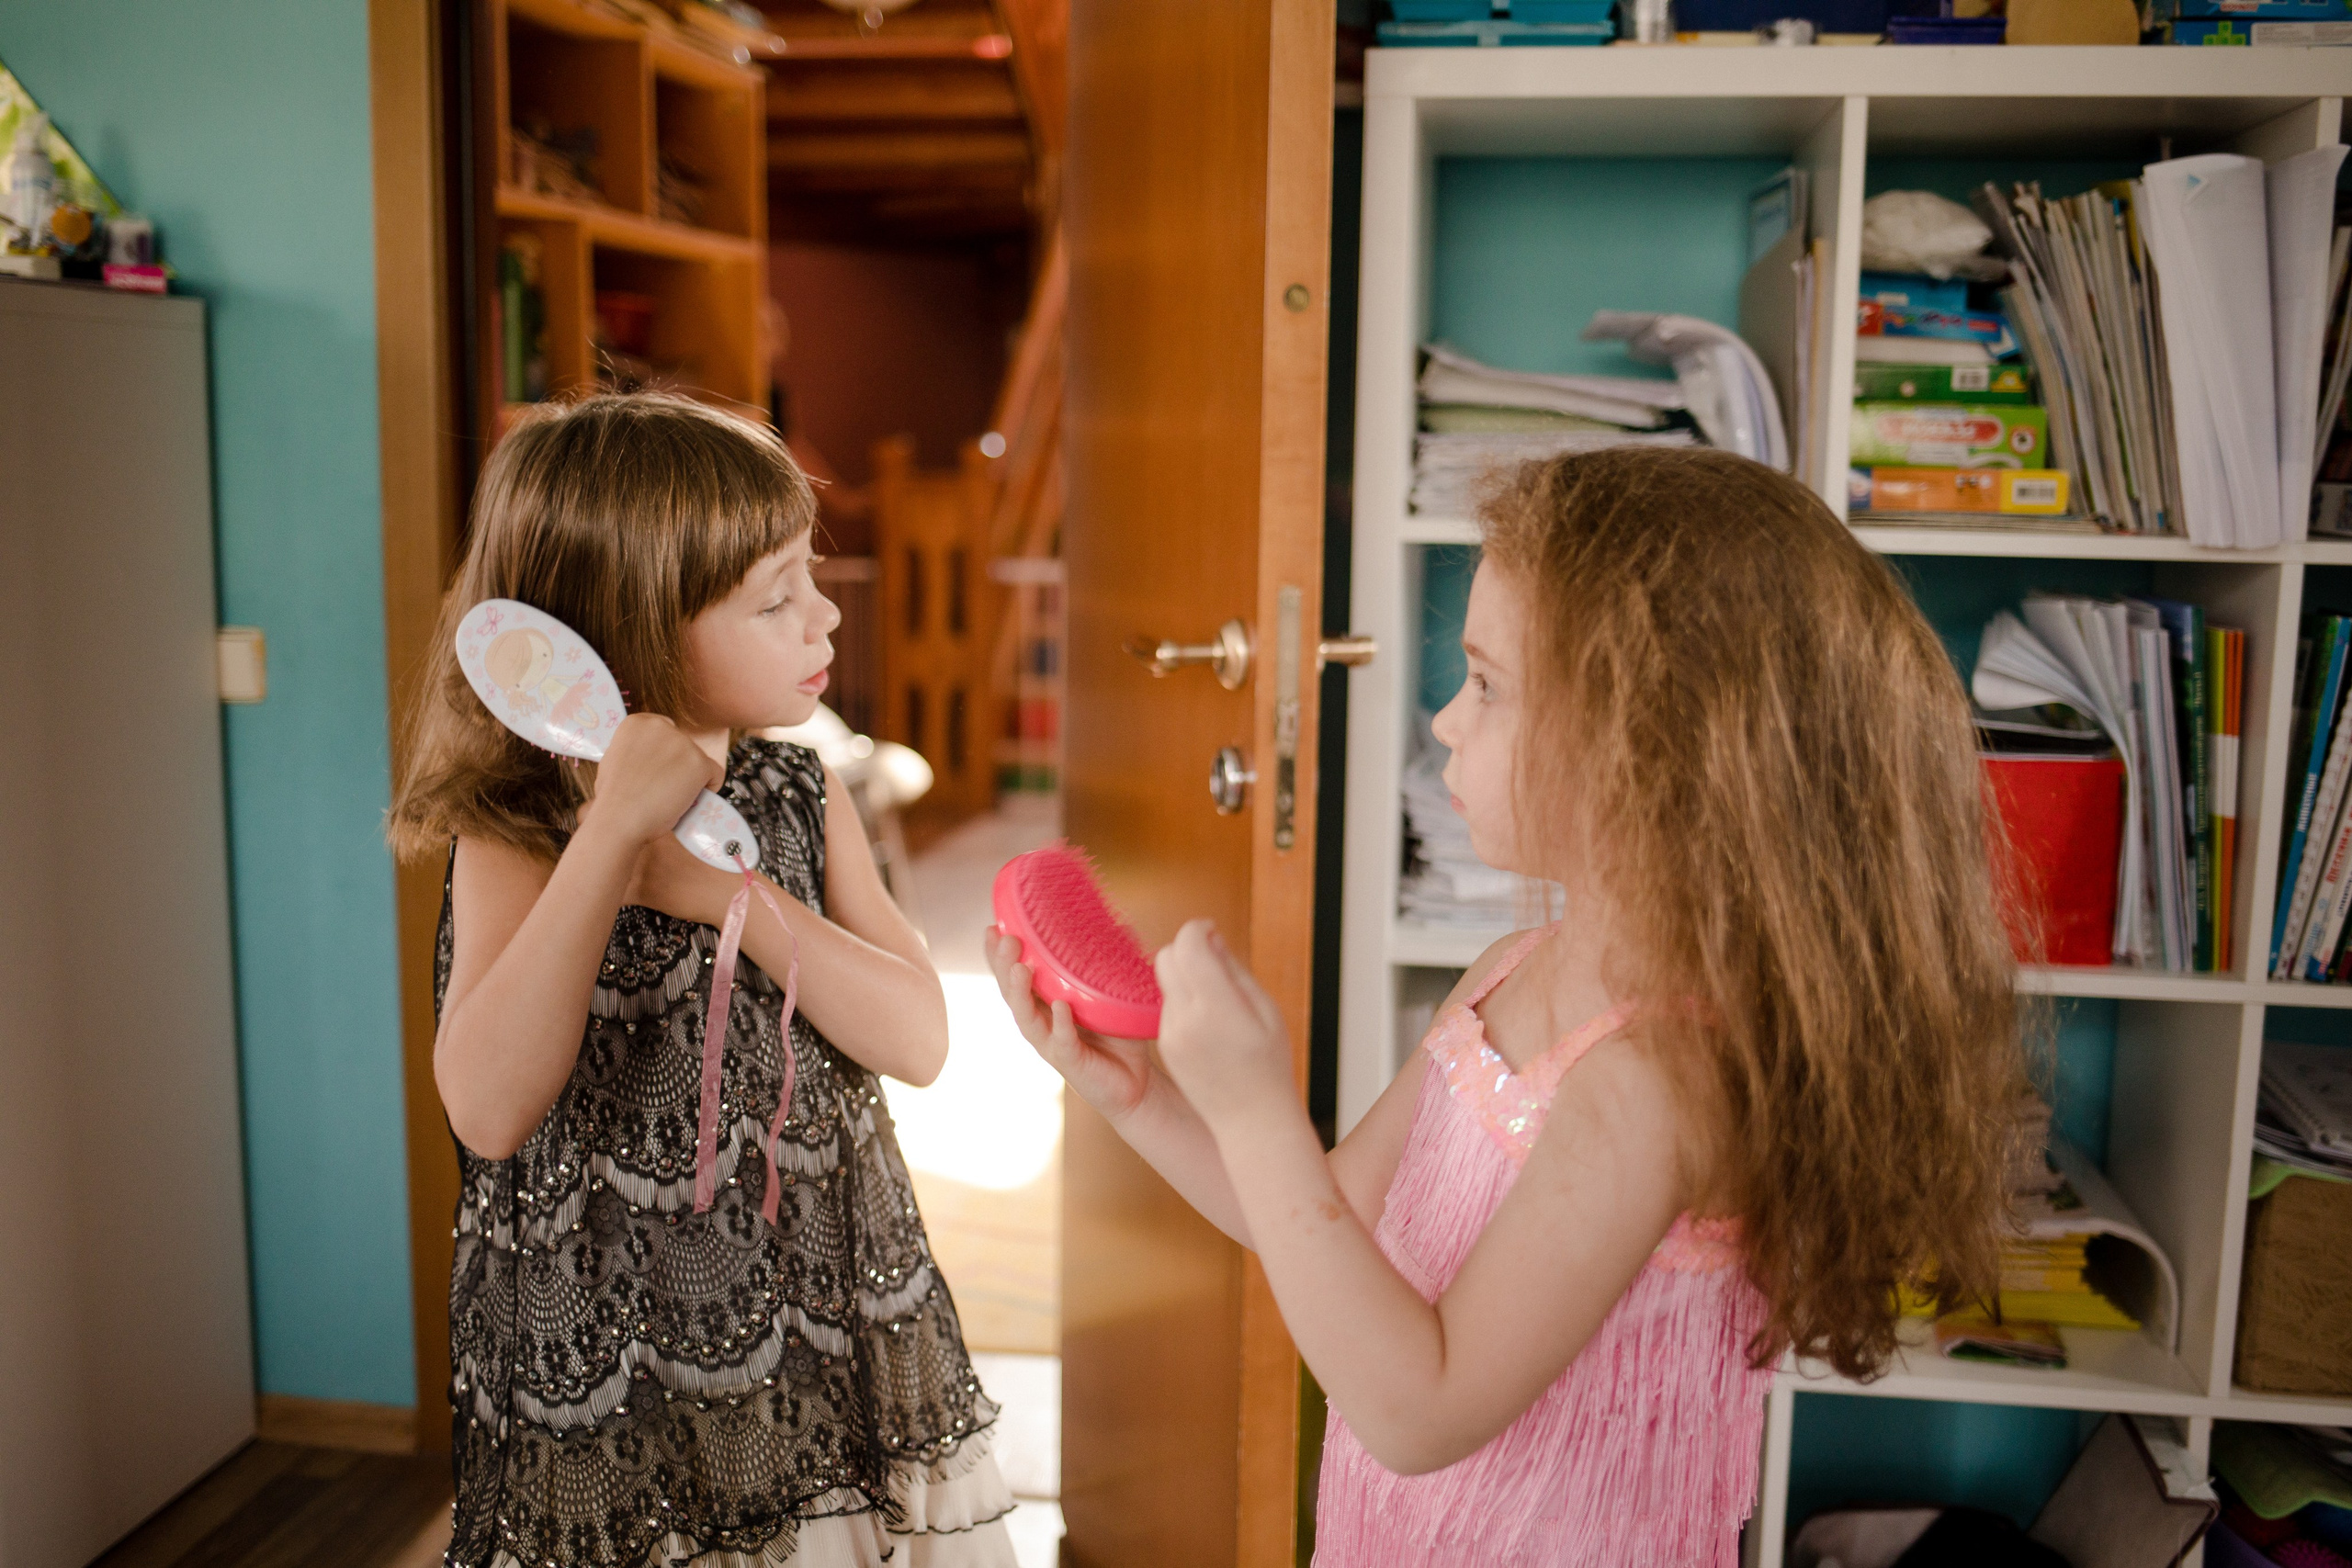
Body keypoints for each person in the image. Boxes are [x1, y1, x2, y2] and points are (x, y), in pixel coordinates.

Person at [989, 446, 2026, 1565]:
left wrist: (1254, 1110)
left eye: (1485, 684)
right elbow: (1330, 1218)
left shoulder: (1651, 1084)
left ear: (1654, 750)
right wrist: (1143, 1101)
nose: (1442, 720)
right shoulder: (1512, 965)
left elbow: (1417, 1412)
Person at [390, 392, 1016, 1568]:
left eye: (808, 577)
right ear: (630, 634)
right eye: (775, 599)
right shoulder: (516, 835)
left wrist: (724, 896)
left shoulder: (798, 793)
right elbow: (487, 1104)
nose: (824, 614)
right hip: (608, 1367)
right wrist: (607, 848)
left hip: (815, 1329)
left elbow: (920, 1041)